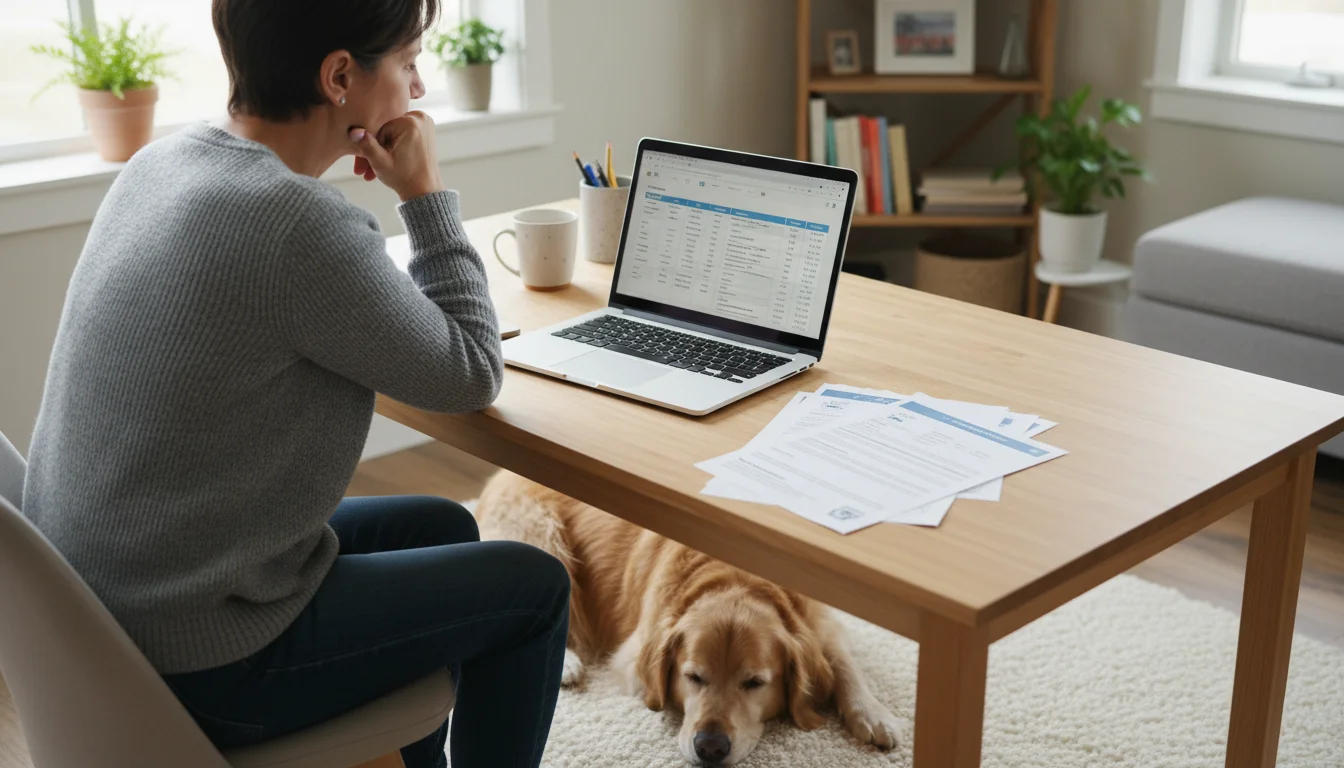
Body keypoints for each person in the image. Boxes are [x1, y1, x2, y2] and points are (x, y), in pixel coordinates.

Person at [20, 1, 570, 766]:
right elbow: (471, 371)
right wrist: (425, 194)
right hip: (201, 661)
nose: (418, 85)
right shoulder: (293, 224)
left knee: (439, 527)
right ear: (341, 75)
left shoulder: (164, 163)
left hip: (105, 619)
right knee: (534, 589)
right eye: (409, 61)